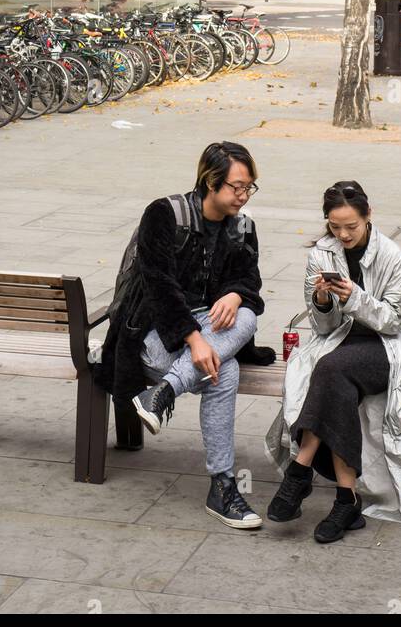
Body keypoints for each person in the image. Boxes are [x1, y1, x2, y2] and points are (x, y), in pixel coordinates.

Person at [96, 142, 273, 530]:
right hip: (151, 330)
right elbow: (158, 286)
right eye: (236, 187)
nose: (243, 196)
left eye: (249, 188)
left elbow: (251, 282)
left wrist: (234, 292)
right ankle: (222, 487)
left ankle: (163, 394)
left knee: (246, 318)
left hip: (209, 330)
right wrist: (194, 339)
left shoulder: (243, 228)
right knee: (222, 371)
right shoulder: (163, 214)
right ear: (211, 182)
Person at [266, 181, 401, 542]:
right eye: (335, 226)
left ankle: (300, 470)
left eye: (351, 226)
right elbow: (324, 328)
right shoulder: (322, 254)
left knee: (330, 369)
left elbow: (395, 322)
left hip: (386, 348)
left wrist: (355, 298)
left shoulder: (391, 254)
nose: (343, 234)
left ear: (368, 216)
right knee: (332, 375)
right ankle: (345, 498)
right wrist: (322, 302)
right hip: (339, 344)